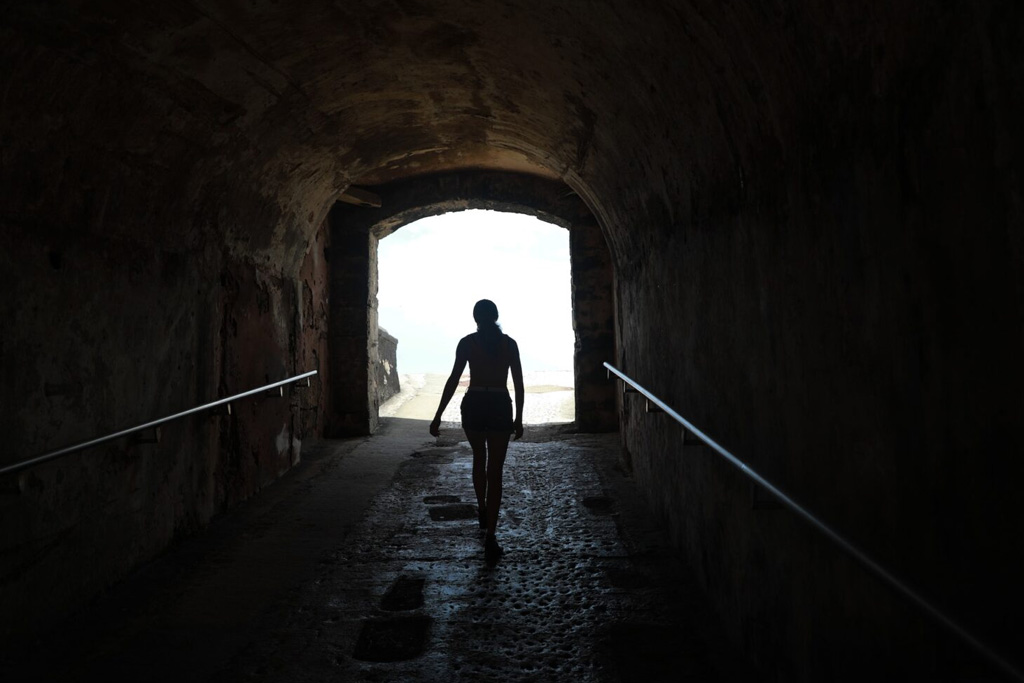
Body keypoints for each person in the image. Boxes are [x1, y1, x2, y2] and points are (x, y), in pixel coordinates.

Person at [430, 299, 524, 566]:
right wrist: (519, 418)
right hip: (498, 404)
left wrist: (437, 416)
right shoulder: (509, 344)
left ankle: (482, 509)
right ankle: (491, 536)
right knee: (496, 472)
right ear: (495, 316)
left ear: (475, 318)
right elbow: (518, 383)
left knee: (477, 459)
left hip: (474, 404)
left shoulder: (468, 343)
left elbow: (453, 379)